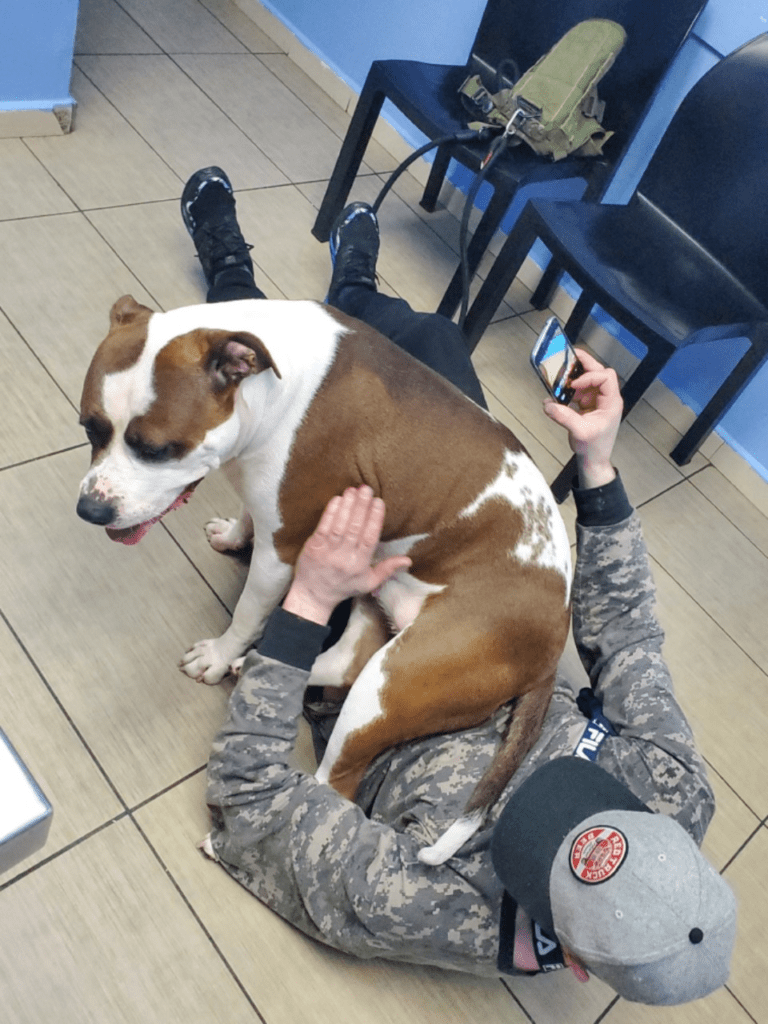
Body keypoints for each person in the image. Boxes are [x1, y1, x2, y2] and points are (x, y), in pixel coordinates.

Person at [181, 168, 736, 1005]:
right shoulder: (675, 787)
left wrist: (306, 606)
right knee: (434, 346)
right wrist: (597, 464)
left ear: (573, 962)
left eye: (535, 834)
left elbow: (250, 801)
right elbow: (627, 637)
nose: (538, 802)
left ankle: (229, 280)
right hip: (492, 597)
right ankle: (356, 283)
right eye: (580, 800)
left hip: (368, 662)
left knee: (275, 423)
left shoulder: (441, 909)